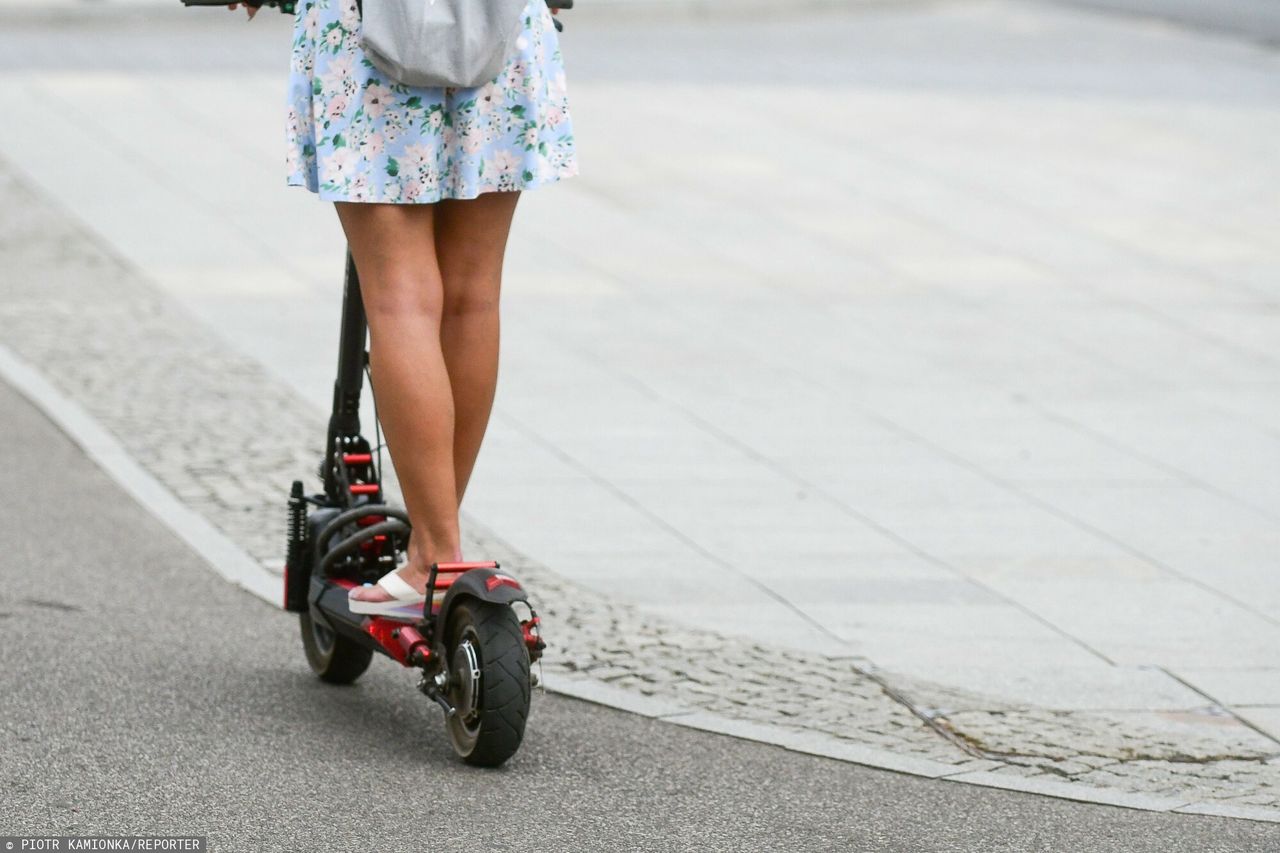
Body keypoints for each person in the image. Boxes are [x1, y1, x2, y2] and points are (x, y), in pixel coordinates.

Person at [230, 0, 578, 615]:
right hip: (501, 31)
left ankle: (434, 553)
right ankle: (435, 540)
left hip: (365, 36)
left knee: (402, 302)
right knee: (473, 298)